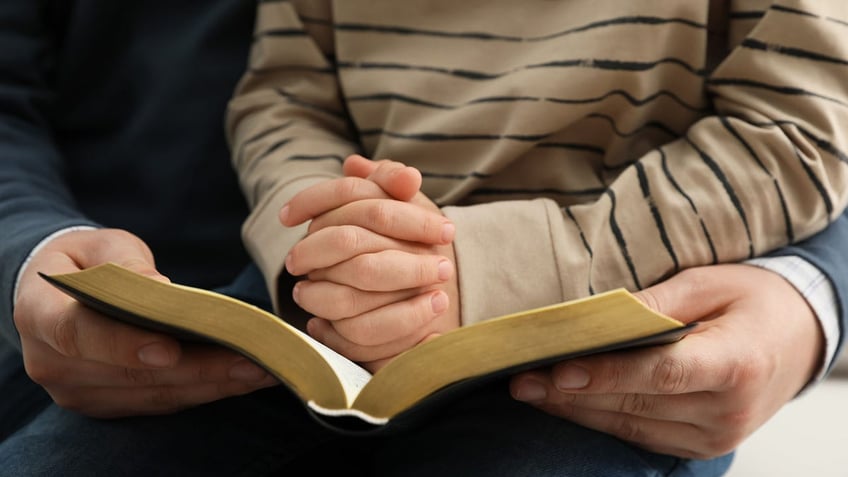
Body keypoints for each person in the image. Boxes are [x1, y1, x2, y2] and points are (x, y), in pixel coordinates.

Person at [0, 2, 845, 477]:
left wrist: (489, 270)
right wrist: (324, 230)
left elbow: (803, 125)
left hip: (582, 364)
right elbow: (285, 93)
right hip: (283, 325)